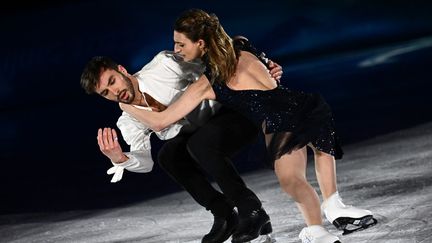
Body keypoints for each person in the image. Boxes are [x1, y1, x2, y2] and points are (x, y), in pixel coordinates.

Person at [119, 9, 377, 243]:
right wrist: (271, 67)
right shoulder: (241, 43)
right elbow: (266, 68)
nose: (175, 49)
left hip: (280, 124)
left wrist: (127, 106)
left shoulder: (210, 83)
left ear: (200, 43)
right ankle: (334, 206)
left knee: (292, 181)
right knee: (320, 150)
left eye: (180, 44)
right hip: (305, 105)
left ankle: (317, 231)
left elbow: (162, 121)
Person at [80, 49, 283, 242]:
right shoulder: (128, 120)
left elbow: (214, 67)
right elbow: (145, 161)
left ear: (122, 70)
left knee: (199, 144)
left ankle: (252, 210)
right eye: (106, 92)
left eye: (112, 81)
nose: (115, 92)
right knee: (168, 156)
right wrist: (120, 158)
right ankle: (225, 214)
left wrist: (261, 68)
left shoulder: (164, 66)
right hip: (203, 135)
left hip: (234, 113)